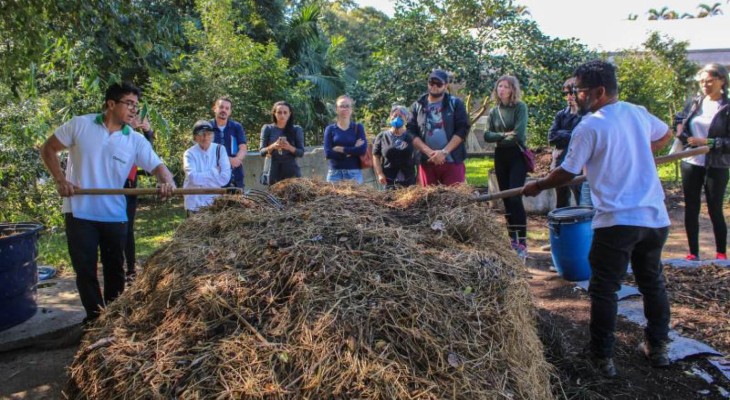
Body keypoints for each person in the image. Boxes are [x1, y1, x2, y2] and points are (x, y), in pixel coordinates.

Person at [522, 60, 673, 377]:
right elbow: (665, 134)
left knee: (604, 289)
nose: (574, 96)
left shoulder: (590, 126)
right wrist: (637, 151)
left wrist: (537, 186)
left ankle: (601, 358)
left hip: (618, 221)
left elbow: (565, 173)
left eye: (578, 90)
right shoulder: (637, 112)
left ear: (599, 92)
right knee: (653, 284)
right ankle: (658, 348)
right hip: (655, 218)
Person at [39, 82, 175, 324]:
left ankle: (112, 318)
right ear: (111, 104)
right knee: (85, 270)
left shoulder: (133, 139)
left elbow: (159, 167)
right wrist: (61, 180)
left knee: (115, 270)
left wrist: (167, 182)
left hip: (114, 214)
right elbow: (48, 149)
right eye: (129, 104)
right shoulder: (80, 124)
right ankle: (94, 318)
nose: (134, 110)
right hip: (80, 211)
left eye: (136, 105)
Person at [676, 63, 730, 261]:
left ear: (722, 81)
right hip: (691, 162)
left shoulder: (726, 107)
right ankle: (693, 252)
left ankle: (721, 253)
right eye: (701, 82)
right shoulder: (694, 102)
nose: (704, 85)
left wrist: (707, 142)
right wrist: (681, 132)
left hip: (717, 164)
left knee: (715, 208)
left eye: (709, 81)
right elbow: (680, 118)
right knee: (691, 208)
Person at [483, 75, 529, 256]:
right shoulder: (495, 111)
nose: (501, 89)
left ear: (513, 90)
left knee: (515, 196)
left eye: (506, 87)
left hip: (517, 155)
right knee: (505, 198)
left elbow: (518, 134)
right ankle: (512, 240)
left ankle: (523, 241)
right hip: (500, 155)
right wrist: (503, 135)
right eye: (499, 86)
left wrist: (500, 136)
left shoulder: (520, 107)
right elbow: (486, 135)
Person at [406, 69, 470, 186]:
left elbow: (462, 129)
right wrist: (429, 152)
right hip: (427, 161)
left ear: (446, 86)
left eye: (439, 84)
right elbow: (410, 131)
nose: (434, 86)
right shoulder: (417, 106)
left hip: (452, 160)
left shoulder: (455, 104)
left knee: (455, 200)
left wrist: (444, 152)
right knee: (428, 201)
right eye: (431, 83)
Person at [122, 115, 154, 284]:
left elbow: (149, 161)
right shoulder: (116, 132)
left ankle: (131, 269)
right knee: (113, 229)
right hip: (112, 187)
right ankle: (116, 267)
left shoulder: (138, 138)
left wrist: (148, 132)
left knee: (127, 229)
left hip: (130, 187)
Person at [183, 121, 232, 215]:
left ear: (212, 136)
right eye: (201, 134)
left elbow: (225, 179)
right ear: (195, 137)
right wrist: (214, 172)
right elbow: (193, 179)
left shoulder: (220, 149)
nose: (205, 137)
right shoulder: (189, 154)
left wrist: (201, 178)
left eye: (209, 134)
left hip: (214, 202)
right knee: (194, 229)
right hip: (194, 203)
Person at [548, 77, 583, 208]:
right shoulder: (560, 115)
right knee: (561, 202)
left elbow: (581, 138)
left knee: (582, 201)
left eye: (572, 93)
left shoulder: (585, 116)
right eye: (566, 93)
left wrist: (562, 133)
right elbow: (551, 137)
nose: (569, 96)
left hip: (578, 163)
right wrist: (571, 133)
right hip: (560, 162)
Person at [323, 95, 367, 184]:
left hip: (353, 174)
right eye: (341, 106)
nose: (344, 109)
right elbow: (328, 153)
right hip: (334, 174)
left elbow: (362, 150)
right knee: (332, 198)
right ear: (336, 109)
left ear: (351, 109)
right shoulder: (330, 129)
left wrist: (342, 149)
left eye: (347, 106)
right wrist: (352, 149)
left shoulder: (358, 128)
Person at [259, 101, 305, 185]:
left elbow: (301, 153)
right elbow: (262, 152)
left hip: (292, 171)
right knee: (274, 197)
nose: (282, 115)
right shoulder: (267, 128)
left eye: (285, 112)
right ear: (274, 113)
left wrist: (289, 147)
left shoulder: (296, 129)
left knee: (294, 197)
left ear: (289, 114)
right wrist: (273, 146)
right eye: (279, 112)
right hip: (273, 171)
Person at [372, 105, 416, 189]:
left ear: (406, 118)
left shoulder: (411, 136)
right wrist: (380, 173)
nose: (397, 118)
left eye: (400, 116)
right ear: (390, 116)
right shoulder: (382, 136)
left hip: (409, 180)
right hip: (389, 180)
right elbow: (376, 156)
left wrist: (419, 176)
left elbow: (418, 156)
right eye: (395, 115)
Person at [210, 97, 247, 188]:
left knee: (237, 201)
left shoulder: (236, 127)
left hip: (235, 173)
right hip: (214, 174)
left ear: (230, 111)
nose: (224, 110)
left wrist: (238, 159)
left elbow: (243, 147)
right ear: (215, 109)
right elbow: (205, 151)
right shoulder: (207, 127)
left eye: (227, 108)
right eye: (221, 107)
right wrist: (228, 160)